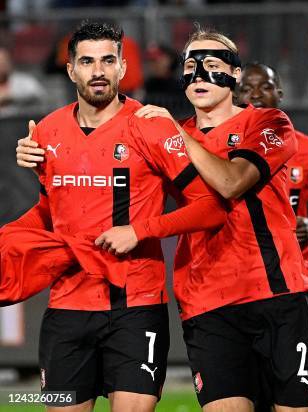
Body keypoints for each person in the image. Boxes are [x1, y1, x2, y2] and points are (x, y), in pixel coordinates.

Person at [12, 21, 226, 412]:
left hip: (136, 308)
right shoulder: (46, 132)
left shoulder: (152, 125)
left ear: (123, 68)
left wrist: (142, 230)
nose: (98, 71)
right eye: (87, 61)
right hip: (66, 310)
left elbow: (211, 206)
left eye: (108, 60)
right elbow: (49, 212)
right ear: (71, 69)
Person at [122, 29, 308, 411]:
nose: (199, 75)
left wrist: (175, 132)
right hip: (206, 304)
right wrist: (43, 156)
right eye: (191, 67)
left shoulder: (269, 123)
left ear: (234, 75)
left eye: (212, 66)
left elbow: (233, 183)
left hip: (277, 295)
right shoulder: (169, 138)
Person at [237, 62, 308, 308]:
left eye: (265, 87)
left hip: (297, 281)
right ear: (235, 96)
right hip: (238, 285)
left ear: (279, 94)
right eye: (246, 89)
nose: (255, 95)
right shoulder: (220, 149)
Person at [0, 46, 47, 115]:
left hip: (20, 121)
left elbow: (39, 94)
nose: (2, 65)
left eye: (4, 61)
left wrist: (11, 96)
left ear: (10, 62)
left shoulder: (24, 80)